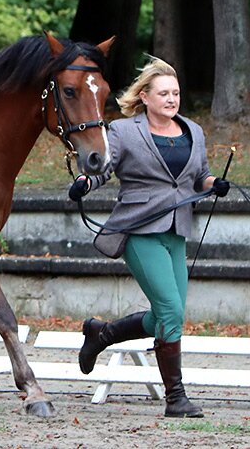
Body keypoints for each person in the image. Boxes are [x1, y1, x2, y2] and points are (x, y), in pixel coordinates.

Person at [68, 56, 229, 418]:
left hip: (177, 230)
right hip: (139, 229)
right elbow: (103, 169)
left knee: (167, 316)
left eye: (176, 93)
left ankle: (102, 334)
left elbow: (199, 176)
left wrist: (214, 183)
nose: (172, 99)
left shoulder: (193, 131)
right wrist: (84, 183)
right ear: (144, 96)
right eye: (164, 93)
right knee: (170, 311)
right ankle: (176, 398)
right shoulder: (125, 131)